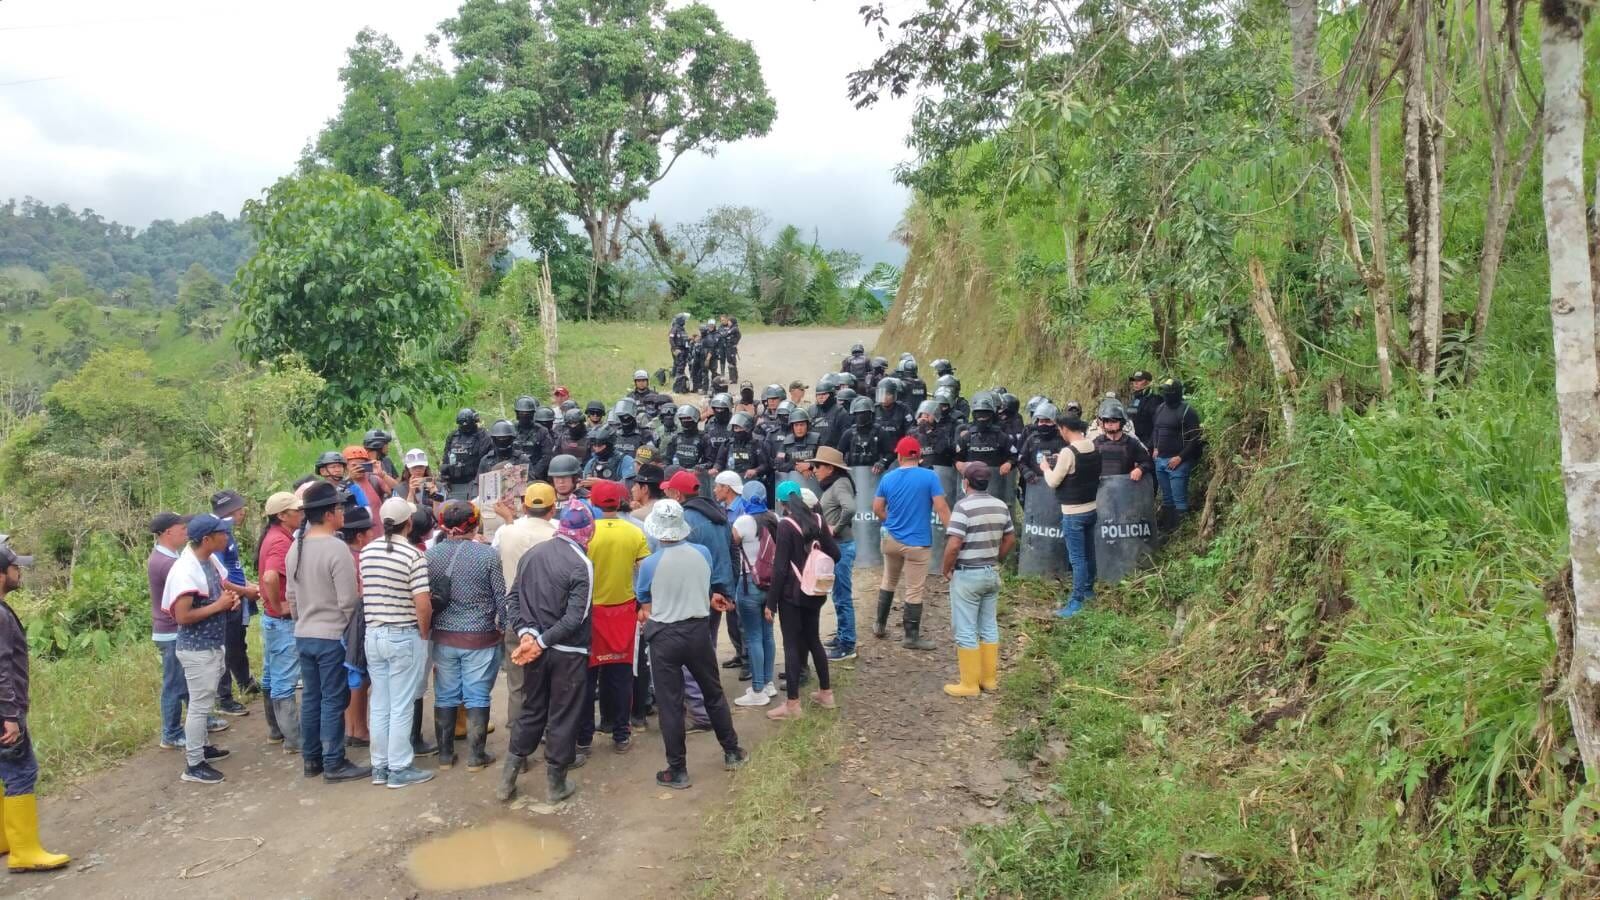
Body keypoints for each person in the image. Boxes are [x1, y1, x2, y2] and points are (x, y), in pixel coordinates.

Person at [636, 500, 748, 789]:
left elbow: (645, 600)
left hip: (665, 636)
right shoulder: (702, 553)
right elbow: (703, 583)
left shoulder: (650, 564)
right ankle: (732, 750)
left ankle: (678, 769)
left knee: (670, 704)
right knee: (713, 693)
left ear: (657, 531)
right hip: (698, 631)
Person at [498, 501, 598, 804]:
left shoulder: (533, 554)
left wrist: (528, 633)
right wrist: (541, 640)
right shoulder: (582, 564)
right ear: (588, 531)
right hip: (568, 653)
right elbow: (575, 618)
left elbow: (512, 598)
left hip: (534, 650)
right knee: (563, 715)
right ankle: (556, 784)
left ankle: (507, 781)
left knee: (531, 709)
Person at [286, 482, 371, 783]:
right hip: (331, 635)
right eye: (340, 508)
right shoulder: (336, 548)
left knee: (311, 697)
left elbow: (292, 597)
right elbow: (348, 601)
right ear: (330, 513)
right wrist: (349, 631)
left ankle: (312, 761)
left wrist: (304, 620)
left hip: (304, 633)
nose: (343, 513)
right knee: (335, 699)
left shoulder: (296, 546)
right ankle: (335, 762)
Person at [0, 541, 71, 871]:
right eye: (14, 567)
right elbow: (1, 669)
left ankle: (5, 839)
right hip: (5, 711)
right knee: (21, 771)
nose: (19, 571)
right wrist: (10, 715)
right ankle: (24, 852)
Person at [359, 498, 435, 789]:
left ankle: (380, 766)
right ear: (409, 523)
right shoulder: (413, 556)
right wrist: (424, 633)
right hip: (403, 634)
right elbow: (423, 604)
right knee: (402, 704)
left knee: (380, 702)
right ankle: (400, 768)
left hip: (373, 634)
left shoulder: (367, 552)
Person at [426, 500, 505, 772]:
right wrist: (502, 625)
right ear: (474, 524)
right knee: (477, 695)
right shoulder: (487, 555)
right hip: (480, 636)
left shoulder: (431, 556)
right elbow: (500, 598)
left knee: (445, 695)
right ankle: (475, 756)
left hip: (444, 636)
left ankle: (445, 756)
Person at [160, 515, 239, 785]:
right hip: (196, 648)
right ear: (207, 539)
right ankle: (194, 764)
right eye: (222, 534)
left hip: (212, 644)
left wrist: (232, 599)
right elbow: (182, 616)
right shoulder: (185, 570)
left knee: (203, 703)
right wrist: (219, 606)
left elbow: (221, 590)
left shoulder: (209, 561)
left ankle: (203, 748)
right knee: (199, 705)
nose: (227, 537)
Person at [580, 480, 650, 755]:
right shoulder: (634, 533)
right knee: (621, 675)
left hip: (590, 612)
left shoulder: (585, 533)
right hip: (623, 611)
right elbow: (644, 571)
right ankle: (620, 734)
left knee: (587, 678)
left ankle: (584, 738)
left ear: (593, 503)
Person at [765, 481, 842, 720]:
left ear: (781, 503)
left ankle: (792, 704)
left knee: (791, 645)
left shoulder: (786, 525)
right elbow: (836, 554)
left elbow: (779, 569)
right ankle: (826, 693)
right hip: (815, 592)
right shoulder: (818, 521)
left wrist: (770, 603)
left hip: (791, 594)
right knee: (813, 640)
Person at [149, 511, 225, 751]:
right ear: (168, 532)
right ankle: (171, 732)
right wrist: (218, 605)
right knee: (175, 685)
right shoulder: (171, 563)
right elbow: (184, 610)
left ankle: (199, 730)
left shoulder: (174, 557)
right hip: (174, 631)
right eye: (181, 529)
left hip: (179, 631)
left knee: (191, 688)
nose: (186, 532)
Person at [939, 462, 1016, 697]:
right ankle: (989, 680)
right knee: (988, 626)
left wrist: (946, 568)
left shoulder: (963, 507)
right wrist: (995, 557)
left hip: (967, 574)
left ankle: (969, 685)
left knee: (965, 629)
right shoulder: (1000, 505)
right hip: (990, 572)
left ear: (966, 482)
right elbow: (1010, 538)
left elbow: (954, 544)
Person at [873, 437, 952, 650]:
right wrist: (954, 533)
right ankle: (911, 636)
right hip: (917, 542)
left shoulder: (888, 478)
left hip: (891, 539)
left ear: (899, 456)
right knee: (914, 589)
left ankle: (879, 625)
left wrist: (890, 521)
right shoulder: (930, 477)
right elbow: (941, 508)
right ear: (920, 456)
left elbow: (877, 508)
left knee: (888, 580)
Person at [493, 482, 559, 732]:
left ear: (524, 506)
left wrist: (509, 520)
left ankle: (518, 742)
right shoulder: (559, 533)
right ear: (553, 509)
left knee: (518, 683)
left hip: (517, 616)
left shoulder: (506, 533)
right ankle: (551, 735)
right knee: (553, 681)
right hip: (552, 618)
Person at [257, 492, 304, 754]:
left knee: (272, 675)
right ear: (282, 516)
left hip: (272, 620)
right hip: (281, 621)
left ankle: (277, 730)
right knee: (284, 679)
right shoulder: (279, 542)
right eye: (296, 510)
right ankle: (294, 739)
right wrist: (278, 606)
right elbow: (270, 577)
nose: (301, 514)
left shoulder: (275, 536)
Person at [209, 490, 261, 718]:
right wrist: (245, 591)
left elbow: (233, 569)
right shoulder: (219, 535)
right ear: (230, 512)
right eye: (240, 509)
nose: (243, 513)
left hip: (237, 597)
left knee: (238, 645)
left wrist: (249, 584)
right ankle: (224, 698)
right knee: (226, 649)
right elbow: (220, 577)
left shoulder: (227, 532)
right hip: (229, 600)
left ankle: (245, 681)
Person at [1043, 415, 1101, 617]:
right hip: (1092, 508)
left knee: (1077, 559)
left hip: (1073, 513)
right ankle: (1088, 591)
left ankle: (1076, 602)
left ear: (1064, 429)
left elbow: (1053, 481)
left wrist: (1045, 468)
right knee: (1089, 553)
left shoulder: (1068, 452)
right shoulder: (1092, 445)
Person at [729, 483, 777, 706]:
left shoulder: (743, 522)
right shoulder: (775, 518)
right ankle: (768, 683)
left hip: (749, 583)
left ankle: (757, 690)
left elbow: (732, 543)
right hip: (772, 585)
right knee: (768, 635)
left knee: (754, 636)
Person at [810, 446, 858, 662]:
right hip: (838, 547)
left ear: (830, 468)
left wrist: (834, 529)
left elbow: (850, 508)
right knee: (838, 595)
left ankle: (847, 644)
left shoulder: (840, 484)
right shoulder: (837, 483)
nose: (815, 469)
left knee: (842, 597)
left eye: (818, 465)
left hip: (842, 547)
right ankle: (842, 636)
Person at [1149, 378, 1203, 528]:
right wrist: (1155, 447)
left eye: (1168, 392)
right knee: (1167, 499)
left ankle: (1181, 532)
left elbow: (1195, 438)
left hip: (1179, 462)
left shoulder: (1187, 411)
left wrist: (1180, 457)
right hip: (1160, 460)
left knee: (1179, 498)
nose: (1165, 395)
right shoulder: (1160, 408)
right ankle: (1168, 529)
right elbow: (1157, 429)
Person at [1094, 399, 1154, 480]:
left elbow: (1147, 461)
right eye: (1106, 420)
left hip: (1124, 489)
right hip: (1103, 489)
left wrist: (1140, 469)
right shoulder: (1096, 443)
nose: (1110, 423)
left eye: (1114, 420)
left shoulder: (1131, 443)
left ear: (1122, 422)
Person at [443, 408, 493, 501]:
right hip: (454, 482)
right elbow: (446, 458)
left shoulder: (483, 436)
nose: (465, 426)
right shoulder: (453, 436)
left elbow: (485, 461)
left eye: (467, 423)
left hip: (475, 481)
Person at [871, 378, 913, 472]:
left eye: (888, 394)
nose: (884, 397)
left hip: (898, 454)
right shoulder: (874, 410)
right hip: (878, 455)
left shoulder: (904, 410)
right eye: (882, 394)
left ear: (895, 395)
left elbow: (910, 432)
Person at [1127, 371, 1156, 446]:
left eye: (1139, 381)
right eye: (1134, 380)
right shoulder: (1134, 398)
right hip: (1131, 439)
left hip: (1146, 441)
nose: (1135, 383)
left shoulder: (1153, 399)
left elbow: (1157, 425)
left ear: (1148, 382)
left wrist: (1151, 444)